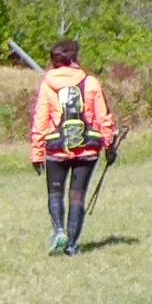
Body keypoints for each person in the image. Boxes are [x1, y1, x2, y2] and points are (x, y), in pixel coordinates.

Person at [27, 39, 115, 255]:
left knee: (55, 194)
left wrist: (37, 153)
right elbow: (104, 118)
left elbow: (40, 121)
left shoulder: (48, 85)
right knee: (77, 197)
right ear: (75, 58)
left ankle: (59, 231)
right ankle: (73, 246)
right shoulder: (91, 82)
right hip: (87, 150)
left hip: (57, 149)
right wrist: (109, 145)